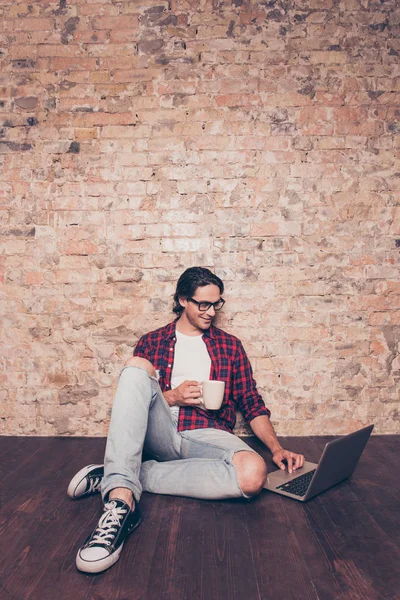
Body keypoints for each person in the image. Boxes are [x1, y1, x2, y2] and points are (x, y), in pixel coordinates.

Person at [68, 267, 305, 574]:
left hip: (208, 432)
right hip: (161, 430)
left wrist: (276, 449)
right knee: (136, 367)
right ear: (182, 300)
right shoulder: (152, 342)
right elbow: (138, 402)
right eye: (202, 304)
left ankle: (125, 473)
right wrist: (172, 397)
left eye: (216, 304)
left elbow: (251, 402)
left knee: (252, 474)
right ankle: (120, 501)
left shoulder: (229, 346)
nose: (210, 312)